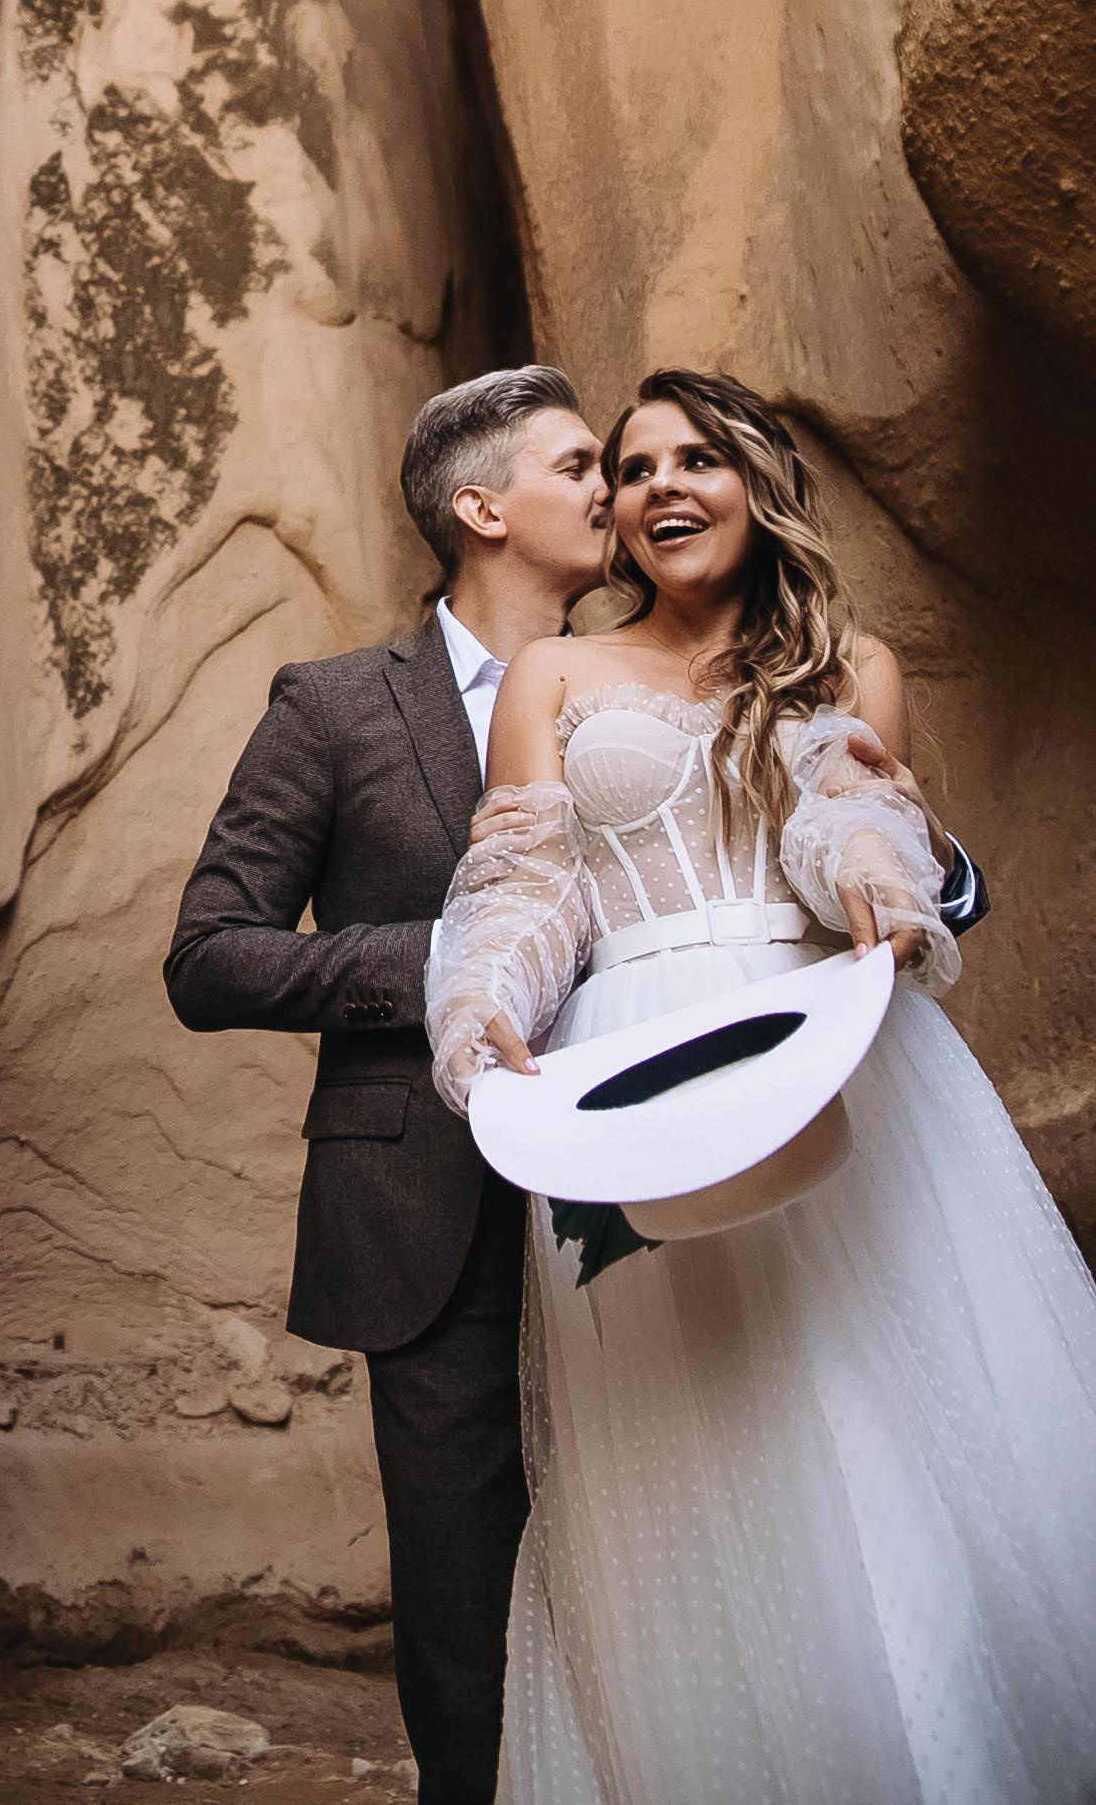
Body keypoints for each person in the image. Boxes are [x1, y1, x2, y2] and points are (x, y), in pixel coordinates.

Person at [164, 366, 990, 1805]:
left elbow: (856, 822)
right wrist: (466, 973)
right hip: (434, 1188)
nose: (622, 492)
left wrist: (919, 874)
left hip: (715, 1127)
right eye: (589, 467)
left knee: (758, 1499)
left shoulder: (758, 665)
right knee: (473, 1605)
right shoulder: (342, 705)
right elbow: (210, 955)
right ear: (483, 508)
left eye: (661, 465)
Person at [428, 368, 1096, 1804]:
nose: (661, 483)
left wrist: (876, 877)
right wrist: (478, 998)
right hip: (636, 1085)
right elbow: (526, 884)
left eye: (695, 457)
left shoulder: (849, 667)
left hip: (831, 1054)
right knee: (697, 1457)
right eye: (632, 466)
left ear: (755, 482)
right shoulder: (555, 673)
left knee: (876, 1424)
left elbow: (856, 821)